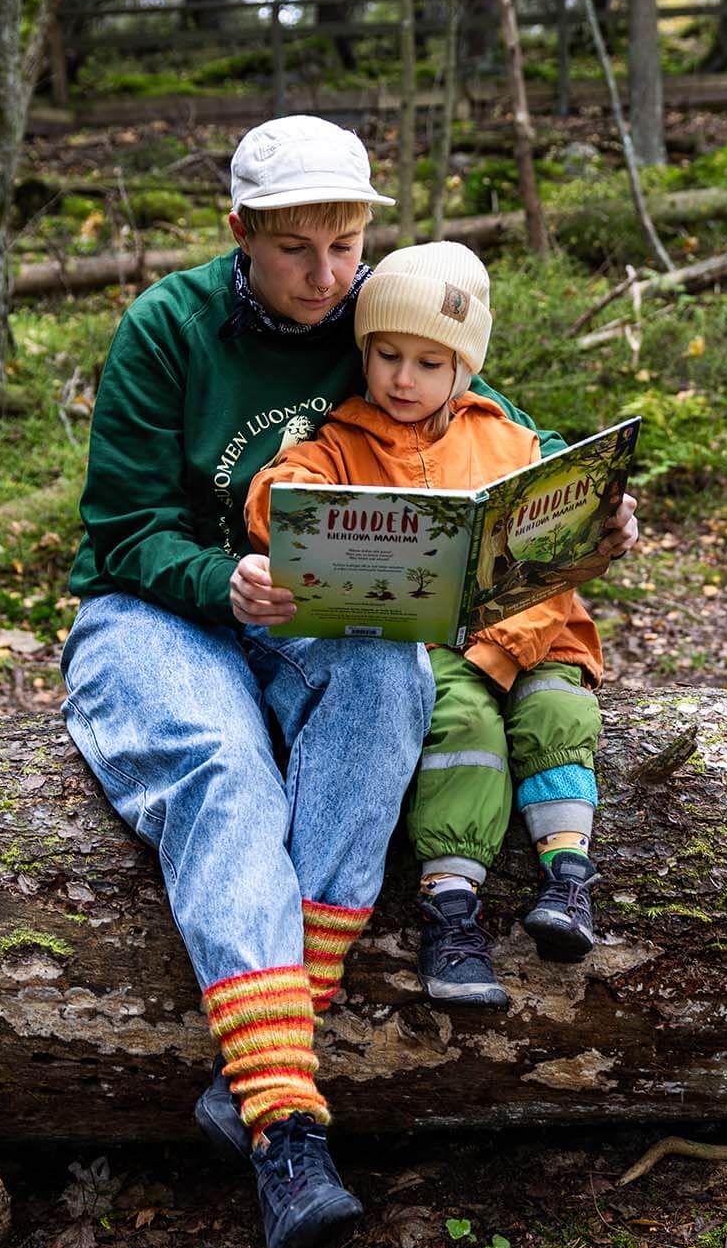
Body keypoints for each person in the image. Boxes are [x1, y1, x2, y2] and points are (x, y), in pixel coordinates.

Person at [60, 117, 637, 1248]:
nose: (328, 278)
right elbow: (121, 531)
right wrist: (222, 579)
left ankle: (270, 1034)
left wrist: (583, 513)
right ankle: (286, 1126)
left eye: (346, 245)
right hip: (155, 614)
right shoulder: (167, 328)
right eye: (296, 251)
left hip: (314, 612)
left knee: (389, 672)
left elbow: (498, 435)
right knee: (224, 769)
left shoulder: (383, 314)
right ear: (239, 231)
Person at [243, 242, 608, 1015]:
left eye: (429, 363)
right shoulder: (342, 440)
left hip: (536, 634)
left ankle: (569, 877)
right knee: (460, 723)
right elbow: (278, 500)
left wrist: (506, 643)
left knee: (558, 708)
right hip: (431, 644)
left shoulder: (510, 442)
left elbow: (555, 562)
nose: (403, 379)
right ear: (364, 355)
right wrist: (290, 496)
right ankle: (452, 911)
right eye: (387, 356)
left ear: (464, 370)